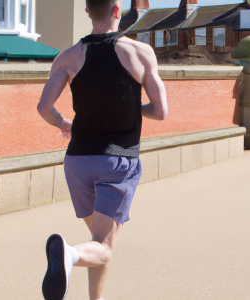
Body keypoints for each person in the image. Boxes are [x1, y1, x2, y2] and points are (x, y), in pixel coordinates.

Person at [37, 0, 168, 299]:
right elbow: (161, 111)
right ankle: (69, 254)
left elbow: (44, 107)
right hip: (117, 161)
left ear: (87, 12)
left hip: (77, 162)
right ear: (117, 11)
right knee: (103, 247)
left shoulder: (67, 57)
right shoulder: (140, 53)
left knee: (97, 242)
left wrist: (63, 123)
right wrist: (134, 105)